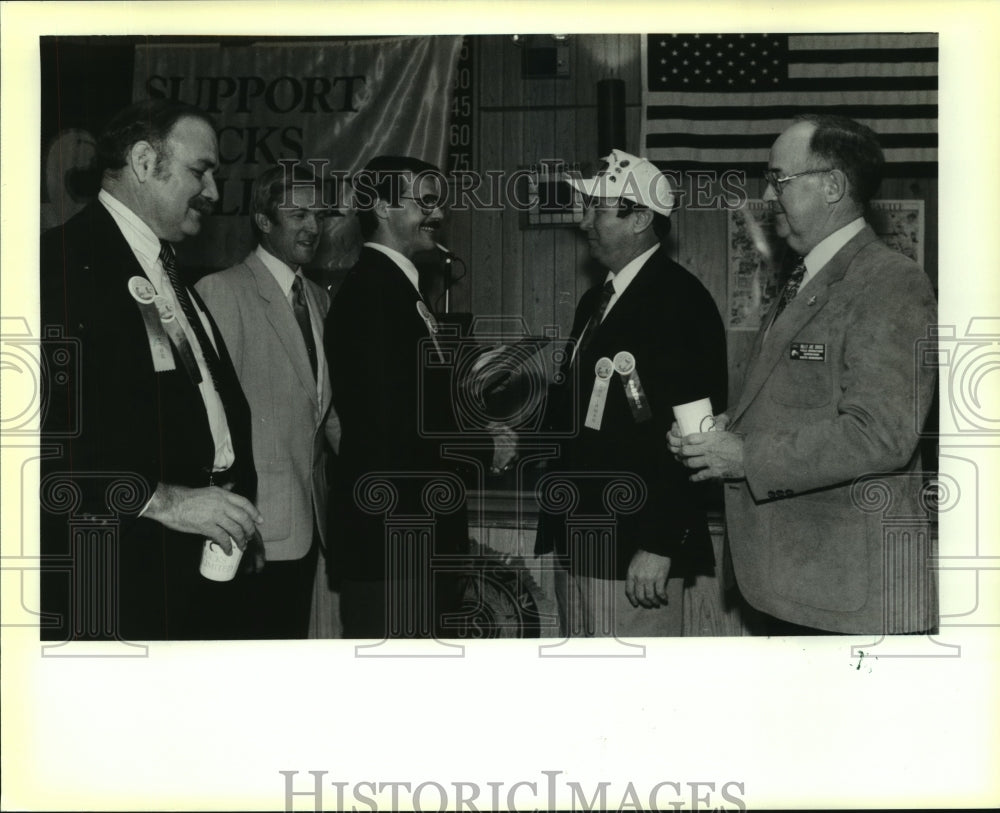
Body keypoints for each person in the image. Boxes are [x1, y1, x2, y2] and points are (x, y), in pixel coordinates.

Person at [670, 114, 937, 635]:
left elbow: (880, 435)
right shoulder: (807, 278)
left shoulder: (890, 282)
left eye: (780, 179)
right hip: (791, 584)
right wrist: (723, 435)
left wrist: (745, 455)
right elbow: (799, 404)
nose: (769, 195)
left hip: (842, 596)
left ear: (833, 185)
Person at [39, 99, 262, 641]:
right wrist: (169, 500)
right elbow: (38, 444)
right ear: (143, 161)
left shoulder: (167, 271)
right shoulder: (61, 265)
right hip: (118, 579)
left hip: (195, 570)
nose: (213, 192)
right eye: (200, 171)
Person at [533, 149, 727, 638]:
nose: (585, 222)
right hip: (579, 540)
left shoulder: (681, 301)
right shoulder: (596, 300)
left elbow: (696, 435)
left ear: (640, 217)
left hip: (636, 550)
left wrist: (660, 543)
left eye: (598, 208)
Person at [195, 164, 340, 638]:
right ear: (263, 221)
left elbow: (326, 412)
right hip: (250, 530)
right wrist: (233, 518)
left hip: (310, 524)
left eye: (318, 215)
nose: (313, 227)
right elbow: (208, 422)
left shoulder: (319, 299)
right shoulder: (221, 291)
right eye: (297, 213)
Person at [324, 155, 467, 638]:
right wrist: (482, 443)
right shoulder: (373, 294)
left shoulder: (400, 291)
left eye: (439, 202)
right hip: (395, 545)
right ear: (383, 206)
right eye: (425, 201)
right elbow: (396, 424)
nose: (438, 214)